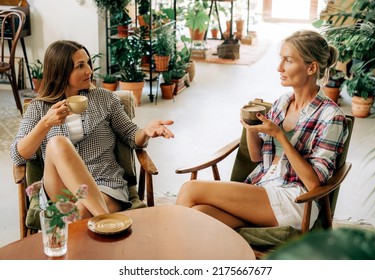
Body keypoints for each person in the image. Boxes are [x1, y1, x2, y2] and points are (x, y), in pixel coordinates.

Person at [176, 30, 349, 230]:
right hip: (262, 188)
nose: (279, 67)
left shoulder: (331, 117)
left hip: (296, 200)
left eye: (288, 61)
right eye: (280, 59)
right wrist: (251, 128)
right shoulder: (283, 103)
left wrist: (280, 136)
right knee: (198, 215)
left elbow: (314, 184)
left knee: (190, 189)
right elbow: (257, 156)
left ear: (311, 68)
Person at [10, 40, 174, 219]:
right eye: (80, 66)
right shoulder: (39, 108)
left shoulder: (105, 99)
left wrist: (146, 131)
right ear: (61, 71)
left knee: (78, 213)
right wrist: (45, 123)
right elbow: (18, 155)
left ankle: (101, 220)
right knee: (57, 143)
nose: (89, 70)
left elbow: (130, 135)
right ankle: (109, 223)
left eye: (87, 63)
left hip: (105, 185)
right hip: (59, 188)